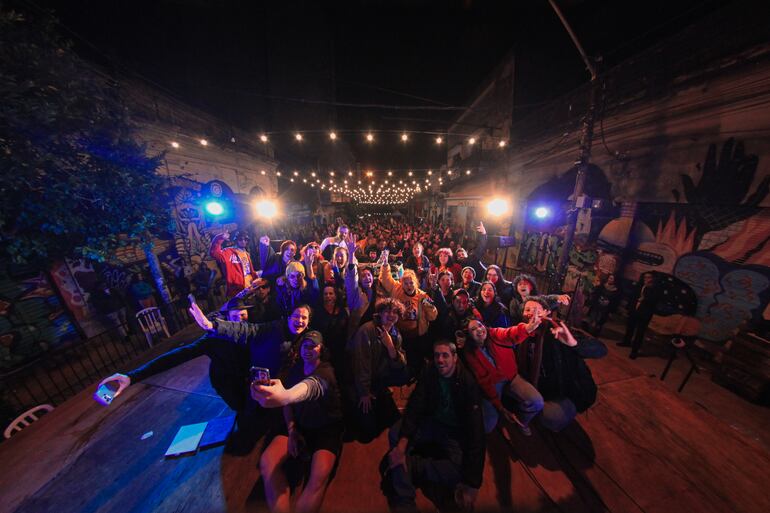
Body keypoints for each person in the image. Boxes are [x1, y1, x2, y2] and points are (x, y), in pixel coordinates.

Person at [380, 340, 485, 513]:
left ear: (455, 358)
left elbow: (477, 433)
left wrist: (473, 484)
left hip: (453, 432)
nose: (440, 360)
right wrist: (402, 444)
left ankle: (411, 466)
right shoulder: (430, 371)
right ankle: (405, 500)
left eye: (445, 355)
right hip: (430, 422)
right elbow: (415, 405)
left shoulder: (468, 383)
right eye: (437, 356)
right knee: (395, 434)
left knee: (461, 469)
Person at [251, 331, 344, 513]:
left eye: (313, 346)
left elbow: (311, 387)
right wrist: (292, 429)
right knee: (267, 462)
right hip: (299, 424)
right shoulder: (296, 370)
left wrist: (286, 396)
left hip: (326, 429)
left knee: (318, 478)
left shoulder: (326, 372)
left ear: (321, 349)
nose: (308, 349)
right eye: (305, 346)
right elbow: (289, 406)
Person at [515, 297, 597, 432]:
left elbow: (600, 349)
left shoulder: (558, 330)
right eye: (527, 310)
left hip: (559, 389)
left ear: (546, 312)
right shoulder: (520, 332)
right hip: (535, 384)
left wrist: (574, 344)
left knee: (552, 417)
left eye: (537, 310)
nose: (532, 313)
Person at [459, 314, 544, 435]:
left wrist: (527, 328)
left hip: (511, 377)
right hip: (493, 384)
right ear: (469, 335)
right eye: (473, 329)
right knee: (487, 426)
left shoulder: (494, 334)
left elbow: (509, 333)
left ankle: (521, 422)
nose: (479, 329)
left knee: (537, 402)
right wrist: (499, 407)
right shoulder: (470, 352)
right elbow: (484, 381)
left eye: (480, 325)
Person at [346, 298, 411, 443]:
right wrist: (364, 392)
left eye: (395, 312)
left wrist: (390, 346)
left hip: (380, 380)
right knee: (367, 434)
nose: (391, 315)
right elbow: (361, 364)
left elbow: (401, 364)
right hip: (361, 382)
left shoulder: (395, 333)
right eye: (387, 311)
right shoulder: (367, 330)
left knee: (394, 420)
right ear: (380, 313)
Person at [379, 251, 438, 377]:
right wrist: (385, 264)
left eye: (411, 283)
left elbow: (433, 316)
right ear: (402, 283)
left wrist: (429, 305)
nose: (409, 286)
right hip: (400, 335)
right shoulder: (397, 289)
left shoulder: (422, 295)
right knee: (403, 360)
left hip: (417, 336)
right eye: (406, 283)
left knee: (416, 360)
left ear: (415, 283)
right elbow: (386, 279)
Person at [311, 285, 349, 379]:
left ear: (336, 296)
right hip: (324, 350)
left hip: (340, 349)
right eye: (325, 294)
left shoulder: (342, 311)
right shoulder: (318, 311)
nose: (328, 296)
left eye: (331, 293)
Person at [620, 271, 660, 359]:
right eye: (645, 277)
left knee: (640, 332)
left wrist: (646, 292)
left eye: (649, 277)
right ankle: (626, 341)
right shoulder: (640, 285)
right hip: (635, 310)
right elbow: (633, 297)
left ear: (653, 278)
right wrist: (629, 308)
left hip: (644, 313)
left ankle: (634, 351)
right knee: (630, 327)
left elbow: (653, 301)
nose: (646, 279)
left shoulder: (655, 288)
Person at [210, 230, 259, 298]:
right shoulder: (229, 252)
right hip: (238, 291)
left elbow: (249, 272)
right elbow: (214, 253)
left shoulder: (246, 254)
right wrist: (220, 238)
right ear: (236, 240)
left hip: (251, 288)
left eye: (245, 239)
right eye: (240, 239)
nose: (243, 241)